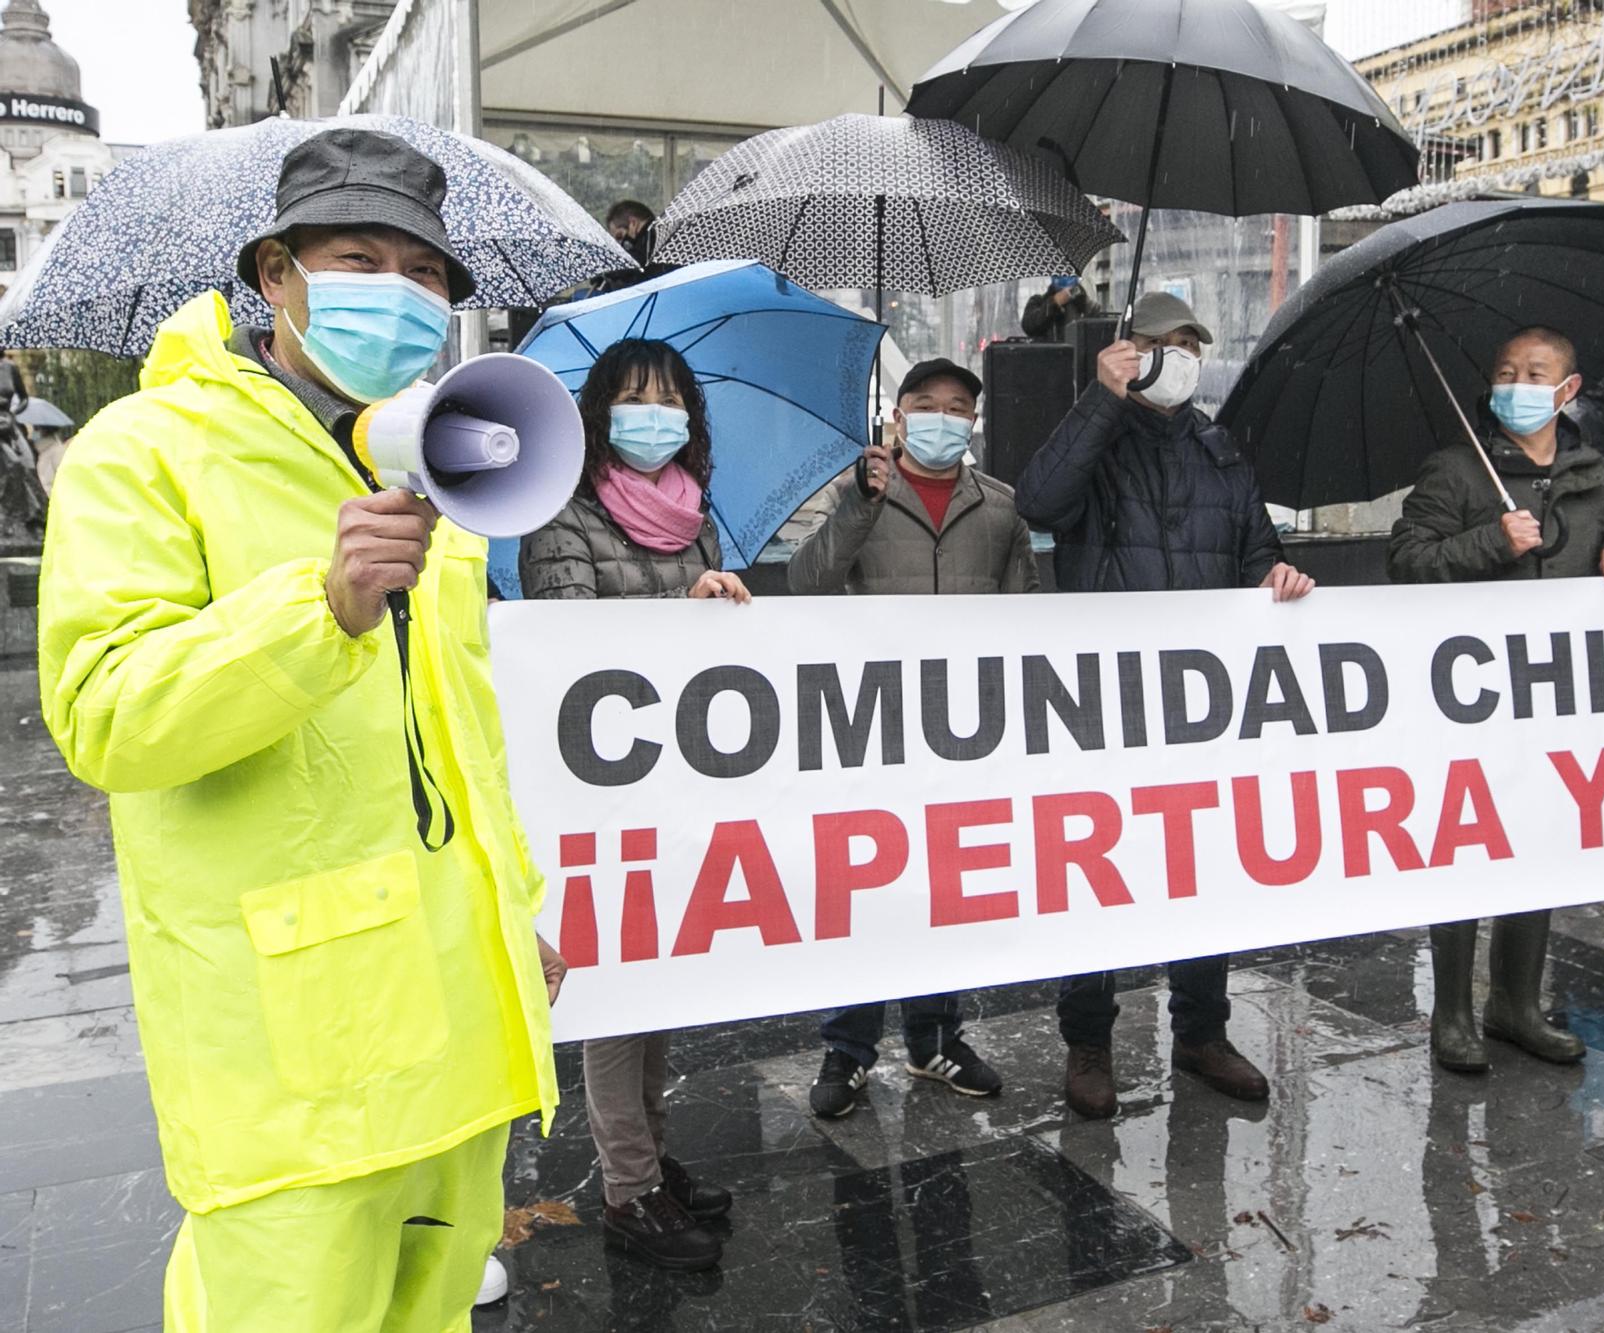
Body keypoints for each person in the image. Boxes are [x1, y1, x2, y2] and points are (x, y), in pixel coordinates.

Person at [37, 127, 563, 1330]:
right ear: (273, 274)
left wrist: (510, 918)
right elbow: (105, 716)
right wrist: (313, 611)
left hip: (462, 1024)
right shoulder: (144, 451)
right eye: (358, 256)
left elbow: (456, 743)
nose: (402, 291)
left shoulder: (443, 476)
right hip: (291, 1051)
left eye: (427, 274)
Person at [1014, 290, 1315, 1120]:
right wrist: (1098, 402)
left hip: (1200, 701)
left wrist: (1277, 576)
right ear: (1130, 351)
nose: (1180, 356)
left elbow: (1258, 549)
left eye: (1191, 342)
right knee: (1103, 869)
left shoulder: (1221, 450)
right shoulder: (1097, 438)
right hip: (1106, 698)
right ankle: (1090, 1040)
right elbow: (1038, 503)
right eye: (1163, 343)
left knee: (1201, 865)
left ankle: (1201, 1029)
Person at [519, 337, 746, 1271]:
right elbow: (572, 646)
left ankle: (650, 1158)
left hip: (679, 785)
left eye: (670, 400)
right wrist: (675, 609)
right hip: (598, 796)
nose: (655, 415)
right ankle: (627, 1190)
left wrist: (724, 598)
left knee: (657, 985)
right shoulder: (560, 513)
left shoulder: (697, 518)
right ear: (600, 413)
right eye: (634, 398)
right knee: (614, 991)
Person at [1388, 325, 1604, 1073]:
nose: (1517, 383)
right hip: (1466, 699)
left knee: (1536, 843)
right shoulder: (1454, 470)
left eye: (1535, 372)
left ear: (1568, 390)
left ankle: (1516, 1003)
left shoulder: (1591, 471)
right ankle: (1452, 1013)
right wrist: (1490, 544)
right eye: (1506, 370)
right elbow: (1406, 560)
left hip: (1555, 700)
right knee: (1464, 849)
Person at [788, 357, 1035, 1116]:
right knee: (861, 890)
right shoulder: (854, 493)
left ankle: (935, 1037)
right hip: (870, 729)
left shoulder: (999, 507)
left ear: (972, 422)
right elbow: (806, 583)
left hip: (961, 733)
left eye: (956, 407)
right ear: (897, 418)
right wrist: (862, 505)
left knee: (942, 891)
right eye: (925, 404)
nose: (941, 417)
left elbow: (1025, 618)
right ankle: (848, 1047)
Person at [1021, 275, 1097, 341]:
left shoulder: (1085, 304)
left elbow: (1097, 333)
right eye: (1059, 274)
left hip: (1078, 355)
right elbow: (1028, 325)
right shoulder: (1038, 301)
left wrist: (1082, 299)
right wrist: (1053, 303)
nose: (1064, 278)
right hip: (1049, 355)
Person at [605, 198, 658, 266]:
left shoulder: (647, 244)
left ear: (633, 223)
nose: (620, 243)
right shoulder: (662, 232)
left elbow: (633, 265)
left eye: (619, 236)